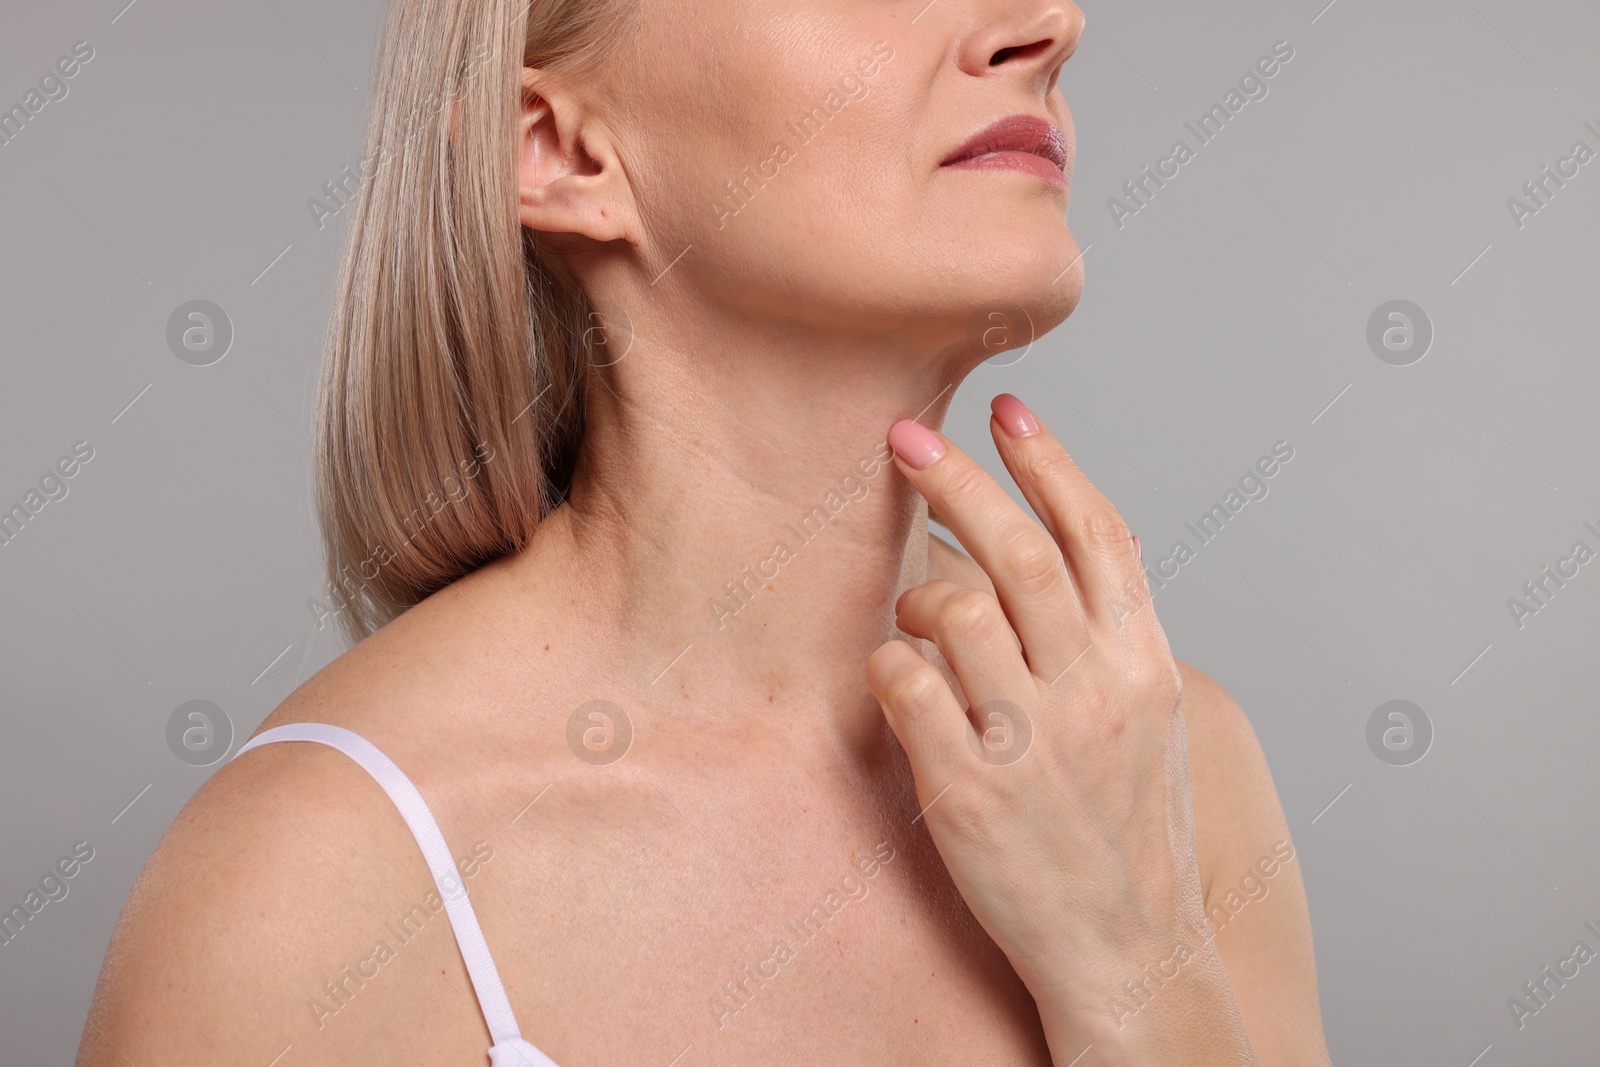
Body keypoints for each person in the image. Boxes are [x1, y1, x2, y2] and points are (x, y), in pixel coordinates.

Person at [77, 0, 1326, 1062]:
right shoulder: (307, 896)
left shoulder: (1162, 767)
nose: (1047, 24)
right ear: (561, 151)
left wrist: (1140, 971)